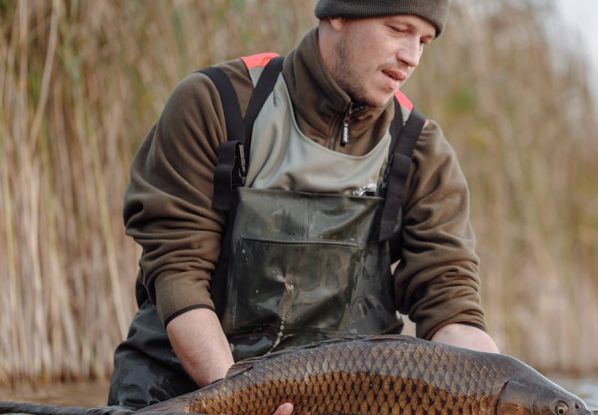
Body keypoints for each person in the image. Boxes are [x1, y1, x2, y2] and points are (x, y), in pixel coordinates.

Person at [108, 1, 499, 413]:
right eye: (397, 29)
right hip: (185, 390)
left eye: (424, 41)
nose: (412, 56)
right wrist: (240, 399)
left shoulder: (421, 149)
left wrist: (497, 385)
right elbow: (178, 272)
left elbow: (451, 303)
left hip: (339, 401)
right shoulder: (217, 104)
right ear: (338, 15)